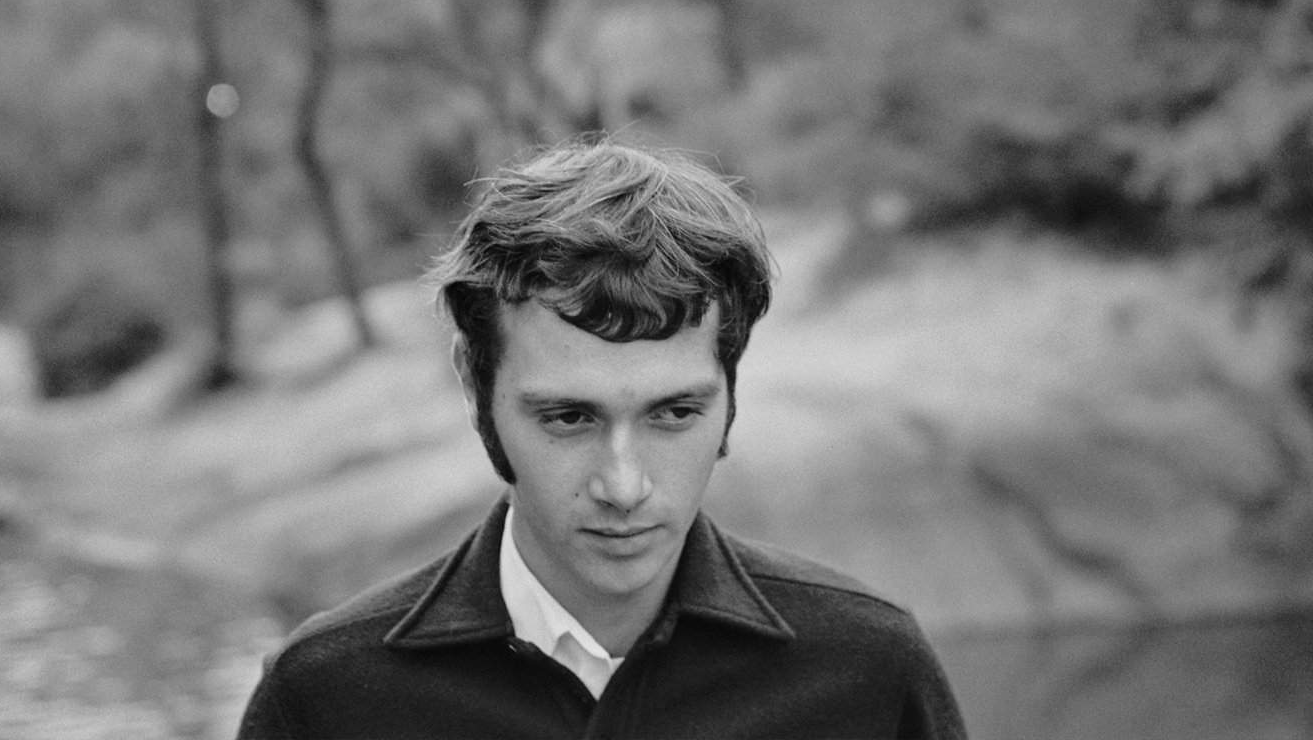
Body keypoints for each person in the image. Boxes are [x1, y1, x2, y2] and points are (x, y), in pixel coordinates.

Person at [237, 136, 967, 738]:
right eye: (569, 418)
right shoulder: (323, 701)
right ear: (474, 387)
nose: (624, 486)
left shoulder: (871, 672)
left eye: (673, 414)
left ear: (731, 394)